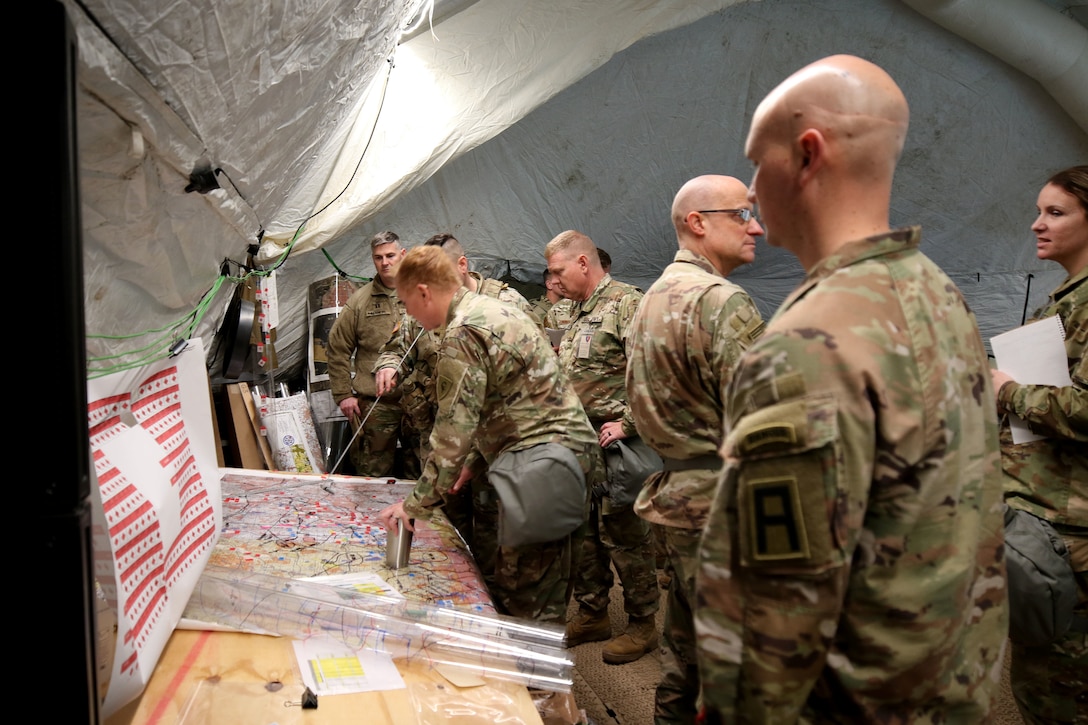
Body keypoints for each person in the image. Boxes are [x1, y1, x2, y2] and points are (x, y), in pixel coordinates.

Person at [694, 54, 1008, 722]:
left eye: (758, 162)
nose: (752, 190)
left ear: (808, 155)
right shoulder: (937, 294)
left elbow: (770, 626)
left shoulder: (806, 346)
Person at [376, 245, 601, 624]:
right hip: (565, 457)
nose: (408, 314)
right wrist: (475, 460)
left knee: (525, 593)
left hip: (540, 466)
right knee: (548, 584)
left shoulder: (463, 332)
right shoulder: (493, 311)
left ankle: (539, 683)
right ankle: (547, 671)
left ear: (424, 292)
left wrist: (415, 505)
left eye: (406, 302)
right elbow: (512, 400)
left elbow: (452, 432)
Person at [626, 174, 765, 722]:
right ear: (698, 223)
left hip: (678, 496)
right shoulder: (721, 302)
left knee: (684, 648)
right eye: (742, 214)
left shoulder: (652, 298)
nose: (757, 226)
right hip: (725, 509)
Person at [374, 232, 542, 576]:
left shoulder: (503, 305)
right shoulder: (423, 307)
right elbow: (397, 345)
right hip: (444, 438)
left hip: (494, 445)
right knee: (447, 527)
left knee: (497, 530)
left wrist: (413, 505)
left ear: (461, 266)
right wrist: (389, 364)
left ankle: (493, 592)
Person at [990, 164, 1087, 725]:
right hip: (1051, 520)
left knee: (1060, 691)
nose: (1036, 225)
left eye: (1055, 212)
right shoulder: (1067, 300)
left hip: (1073, 531)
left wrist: (1010, 392)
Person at [545, 229, 660, 664]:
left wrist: (629, 423)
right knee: (582, 534)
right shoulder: (573, 312)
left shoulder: (627, 304)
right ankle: (593, 613)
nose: (552, 280)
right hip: (578, 445)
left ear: (582, 264)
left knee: (626, 536)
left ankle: (643, 623)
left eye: (558, 271)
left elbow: (652, 371)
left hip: (615, 446)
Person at [326, 231, 415, 478]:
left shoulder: (422, 293)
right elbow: (337, 348)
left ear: (403, 255)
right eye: (378, 257)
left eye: (390, 255)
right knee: (372, 474)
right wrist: (343, 395)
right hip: (377, 405)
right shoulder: (360, 301)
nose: (385, 262)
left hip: (419, 402)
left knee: (422, 470)